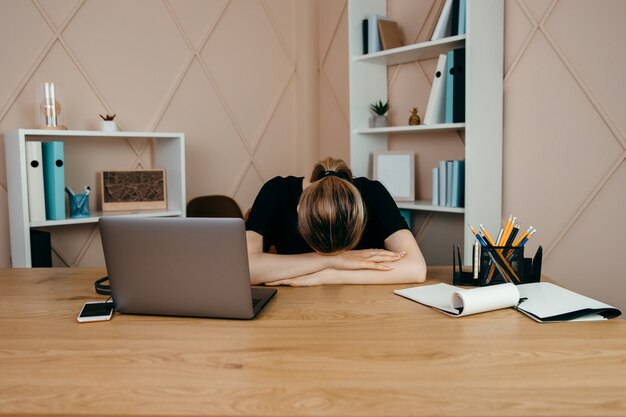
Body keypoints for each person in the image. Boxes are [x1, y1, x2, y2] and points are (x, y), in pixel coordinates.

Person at [245, 157, 427, 286]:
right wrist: (331, 261)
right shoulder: (277, 192)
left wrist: (329, 276)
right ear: (299, 210)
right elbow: (244, 269)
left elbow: (416, 268)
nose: (334, 255)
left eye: (339, 252)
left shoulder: (372, 194)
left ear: (361, 213)